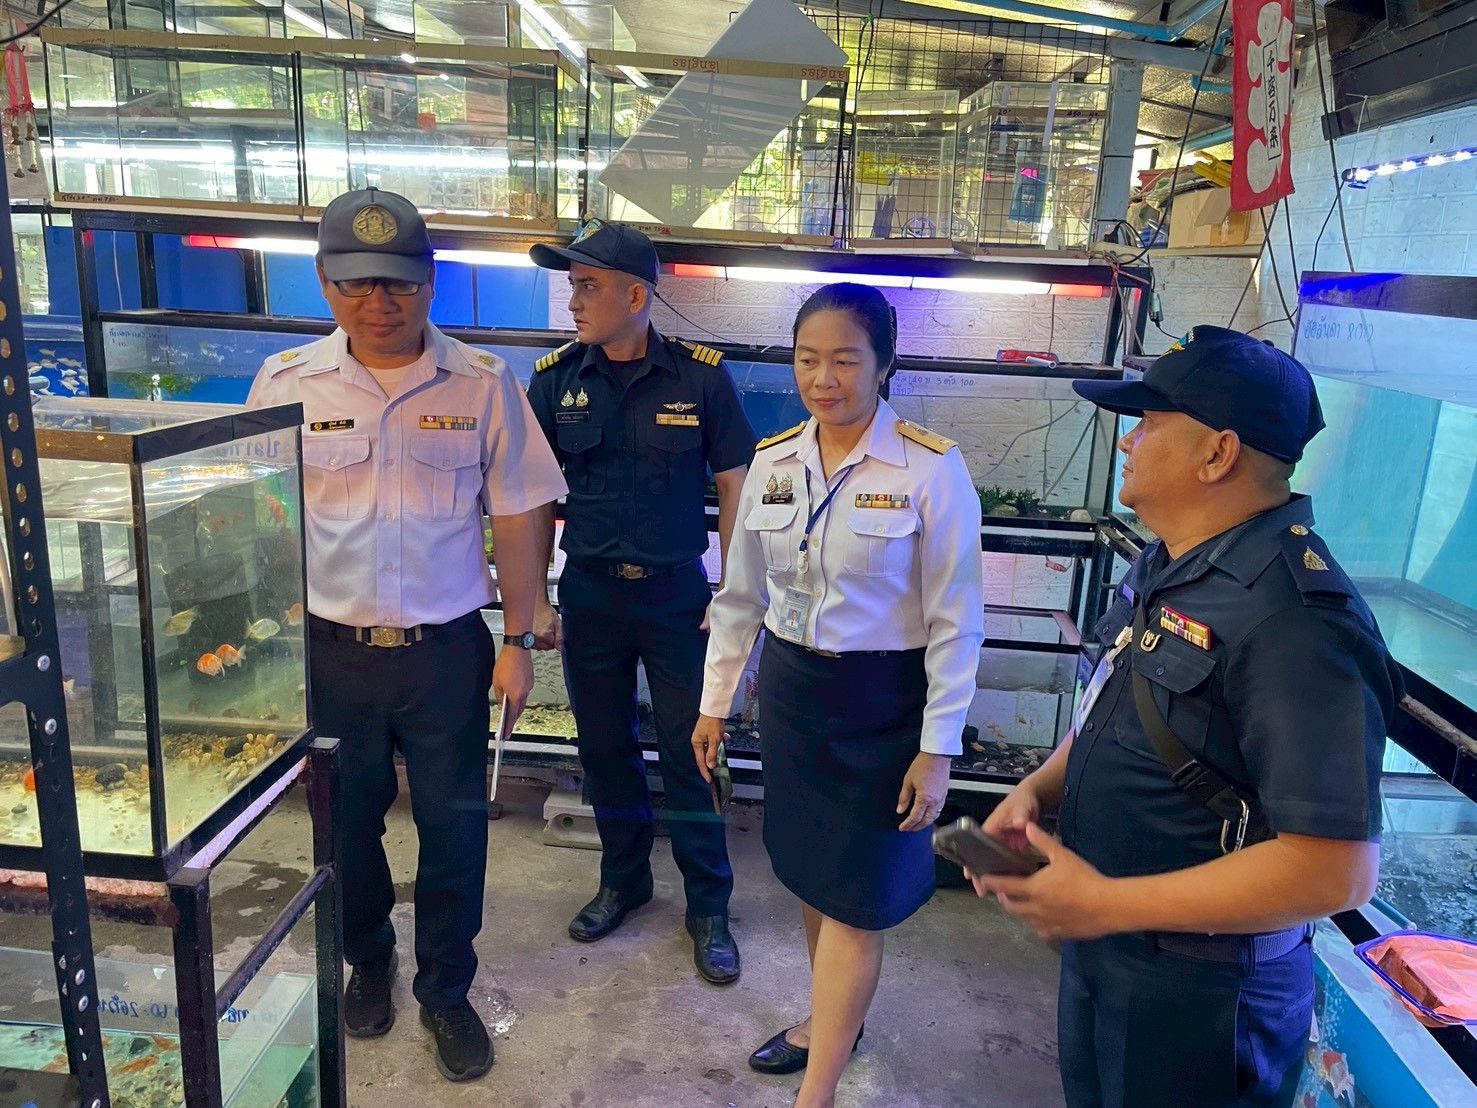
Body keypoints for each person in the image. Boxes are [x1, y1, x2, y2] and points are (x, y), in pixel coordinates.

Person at [971, 325, 1403, 1108]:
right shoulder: (1172, 560)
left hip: (1202, 991)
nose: (1127, 442)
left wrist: (1105, 903)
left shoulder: (1297, 621)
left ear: (1217, 454)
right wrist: (1036, 790)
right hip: (1110, 946)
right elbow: (1116, 705)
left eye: (1148, 423)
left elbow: (1335, 869)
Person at [248, 187, 567, 1083]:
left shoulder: (483, 382)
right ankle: (368, 958)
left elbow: (520, 514)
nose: (378, 302)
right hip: (330, 653)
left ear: (429, 281)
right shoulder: (286, 383)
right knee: (345, 827)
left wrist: (518, 641)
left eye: (397, 282)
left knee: (454, 829)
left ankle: (446, 990)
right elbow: (259, 513)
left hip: (446, 655)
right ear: (325, 281)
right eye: (356, 283)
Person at [693, 283, 985, 1108]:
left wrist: (938, 749)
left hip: (883, 706)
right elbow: (740, 597)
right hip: (795, 696)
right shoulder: (774, 460)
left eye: (845, 360)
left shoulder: (930, 468)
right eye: (807, 359)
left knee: (856, 898)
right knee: (812, 876)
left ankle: (816, 1091)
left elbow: (956, 622)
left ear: (883, 364)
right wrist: (715, 702)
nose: (823, 379)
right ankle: (834, 1024)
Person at [525, 219, 755, 983]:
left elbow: (735, 484)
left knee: (693, 750)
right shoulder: (555, 381)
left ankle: (708, 903)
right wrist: (534, 599)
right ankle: (623, 881)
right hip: (590, 593)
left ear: (634, 296)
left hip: (675, 598)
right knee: (604, 749)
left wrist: (732, 591)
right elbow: (532, 495)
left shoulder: (699, 379)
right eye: (572, 286)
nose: (573, 302)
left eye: (587, 286)